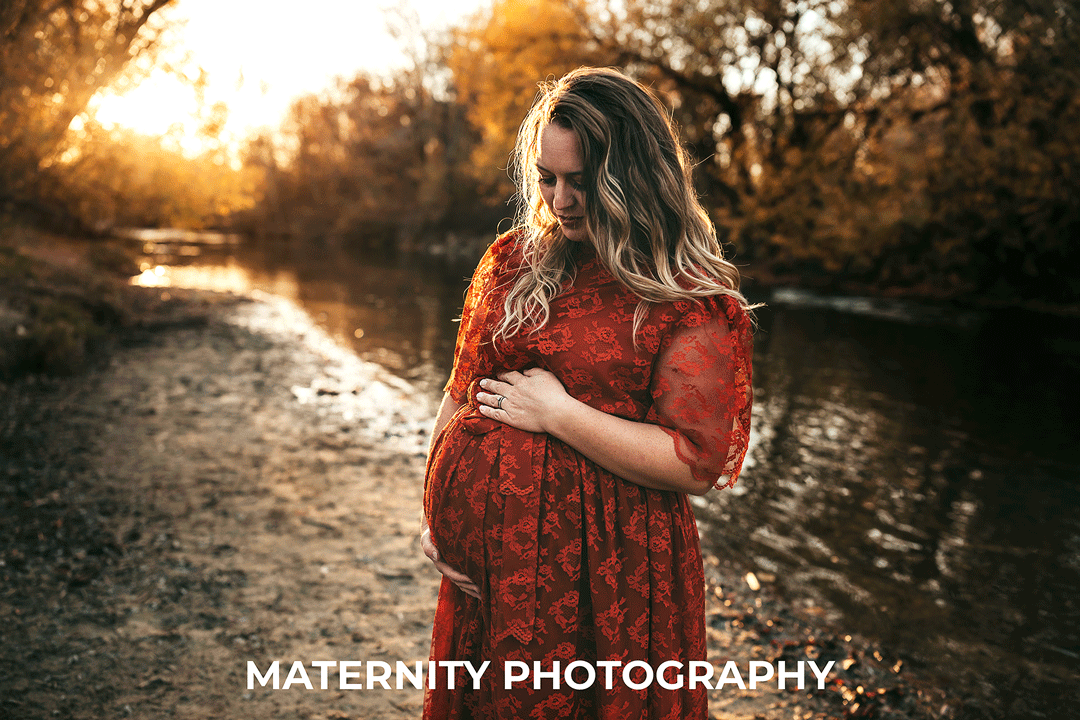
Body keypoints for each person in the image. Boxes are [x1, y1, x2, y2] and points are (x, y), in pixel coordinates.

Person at [419, 67, 754, 720]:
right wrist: (438, 514)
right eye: (548, 178)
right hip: (499, 569)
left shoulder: (688, 294)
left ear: (634, 174)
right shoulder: (512, 262)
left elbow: (696, 460)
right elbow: (461, 391)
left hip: (618, 573)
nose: (560, 199)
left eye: (582, 180)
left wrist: (558, 414)